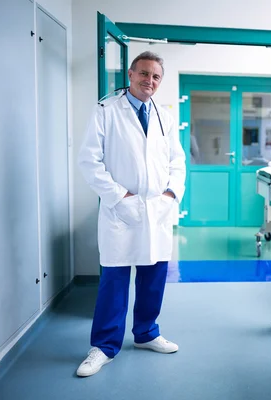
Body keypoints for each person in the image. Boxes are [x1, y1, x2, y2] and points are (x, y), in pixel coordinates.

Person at [76, 51, 186, 377]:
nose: (149, 81)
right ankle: (104, 347)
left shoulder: (165, 116)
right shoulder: (106, 111)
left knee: (154, 278)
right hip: (120, 212)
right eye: (144, 74)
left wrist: (170, 194)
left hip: (157, 209)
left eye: (155, 76)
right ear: (130, 74)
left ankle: (146, 334)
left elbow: (177, 162)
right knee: (115, 280)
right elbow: (88, 161)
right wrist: (118, 196)